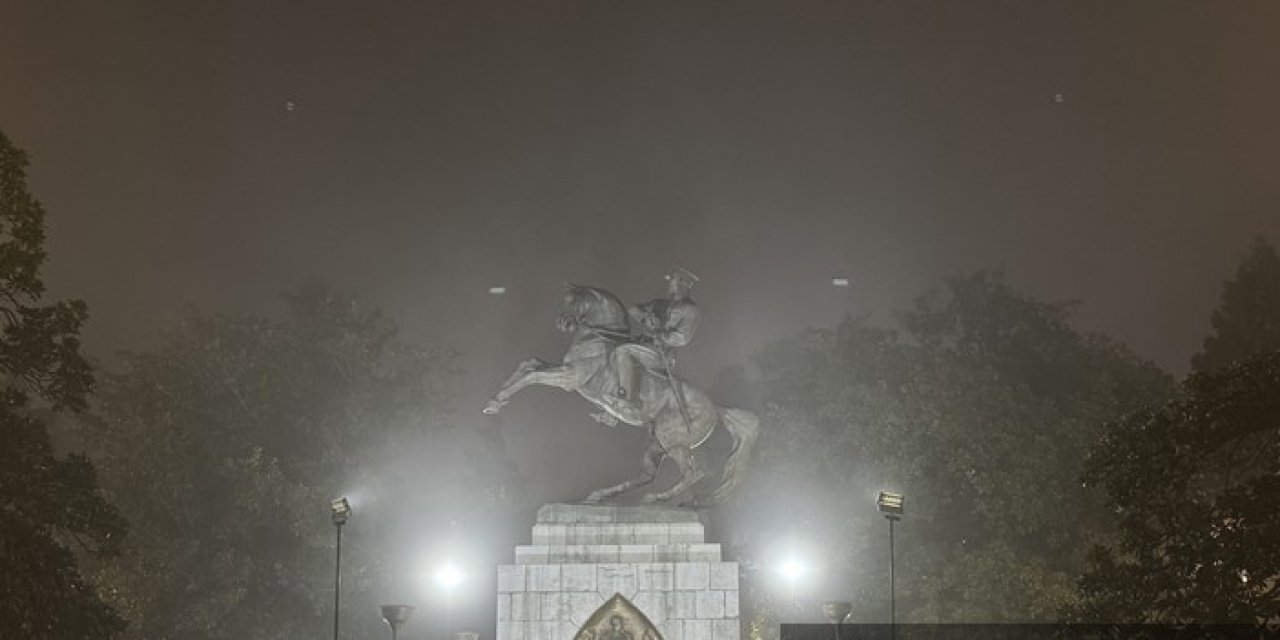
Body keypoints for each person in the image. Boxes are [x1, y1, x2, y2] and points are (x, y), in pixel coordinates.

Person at [610, 267, 700, 418]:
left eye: (672, 279)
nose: (669, 283)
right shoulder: (659, 303)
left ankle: (626, 398)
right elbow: (633, 309)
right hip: (642, 345)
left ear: (683, 283)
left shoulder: (690, 310)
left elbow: (682, 338)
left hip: (661, 353)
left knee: (623, 351)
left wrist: (660, 333)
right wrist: (646, 317)